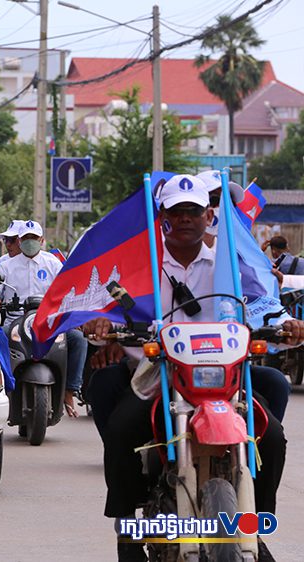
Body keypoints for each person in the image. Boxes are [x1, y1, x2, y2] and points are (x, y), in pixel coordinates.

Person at [82, 174, 302, 562]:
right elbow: (105, 311)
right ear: (162, 216)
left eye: (194, 211)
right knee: (120, 430)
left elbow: (263, 303)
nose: (186, 219)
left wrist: (288, 324)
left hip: (222, 375)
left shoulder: (230, 263)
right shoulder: (140, 264)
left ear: (208, 216)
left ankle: (256, 522)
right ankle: (127, 529)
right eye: (177, 211)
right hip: (159, 374)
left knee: (272, 437)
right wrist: (99, 327)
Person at [0, 220, 88, 417]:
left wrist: (72, 313)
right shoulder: (7, 265)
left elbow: (68, 290)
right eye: (26, 238)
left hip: (49, 322)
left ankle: (69, 391)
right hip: (16, 322)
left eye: (34, 238)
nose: (30, 242)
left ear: (42, 240)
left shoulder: (53, 264)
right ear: (19, 241)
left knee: (78, 340)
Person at [193, 170, 244, 249]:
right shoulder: (168, 255)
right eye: (214, 200)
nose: (221, 207)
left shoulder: (233, 255)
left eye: (229, 202)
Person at [0, 219, 24, 307]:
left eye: (12, 240)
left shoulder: (49, 262)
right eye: (6, 240)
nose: (8, 244)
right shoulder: (3, 261)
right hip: (11, 316)